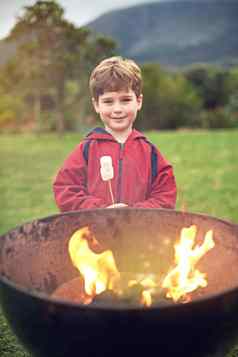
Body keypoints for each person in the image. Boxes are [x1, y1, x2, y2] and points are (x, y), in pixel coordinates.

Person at [53, 56, 176, 211]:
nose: (117, 109)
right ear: (96, 105)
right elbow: (66, 190)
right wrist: (101, 210)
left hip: (140, 232)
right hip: (94, 232)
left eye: (125, 100)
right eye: (108, 102)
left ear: (138, 101)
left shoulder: (150, 152)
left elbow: (165, 196)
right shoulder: (86, 150)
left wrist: (134, 212)